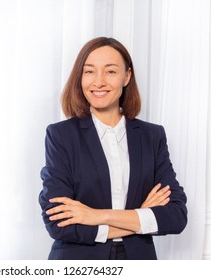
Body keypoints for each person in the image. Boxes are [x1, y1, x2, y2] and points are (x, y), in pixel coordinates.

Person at [38, 37, 187, 260]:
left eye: (110, 72)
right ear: (80, 77)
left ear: (126, 76)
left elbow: (175, 216)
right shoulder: (61, 136)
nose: (98, 82)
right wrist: (139, 217)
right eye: (89, 71)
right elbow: (59, 224)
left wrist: (94, 215)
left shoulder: (152, 136)